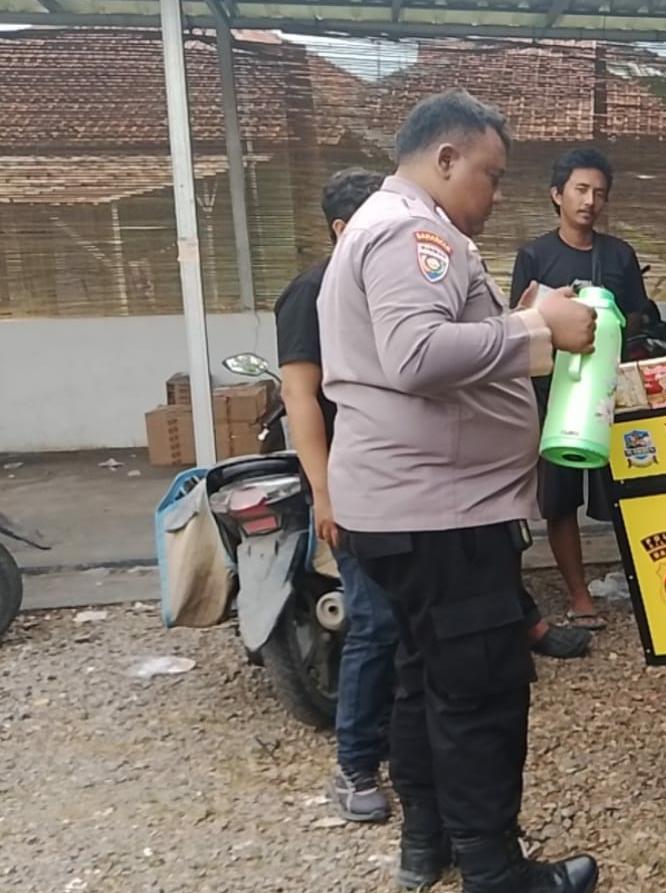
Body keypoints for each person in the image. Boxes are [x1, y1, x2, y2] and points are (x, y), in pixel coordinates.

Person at [318, 89, 600, 893]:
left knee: (424, 679)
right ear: (444, 159)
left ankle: (429, 842)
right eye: (490, 174)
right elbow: (417, 354)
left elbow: (429, 343)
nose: (496, 194)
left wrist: (518, 319)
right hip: (442, 514)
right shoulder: (413, 232)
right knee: (480, 687)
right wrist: (538, 328)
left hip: (406, 509)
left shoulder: (382, 226)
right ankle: (494, 868)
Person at [274, 167, 401, 824]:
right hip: (349, 483)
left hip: (402, 478)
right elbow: (300, 397)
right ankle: (354, 766)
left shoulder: (390, 286)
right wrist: (324, 493)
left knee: (409, 619)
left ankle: (406, 746)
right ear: (341, 228)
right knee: (374, 620)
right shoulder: (311, 292)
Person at [509, 148, 654, 632]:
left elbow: (636, 314)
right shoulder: (534, 256)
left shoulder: (619, 255)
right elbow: (522, 321)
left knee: (628, 487)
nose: (590, 201)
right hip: (557, 391)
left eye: (600, 193)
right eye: (581, 190)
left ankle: (645, 580)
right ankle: (578, 595)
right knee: (560, 496)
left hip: (611, 389)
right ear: (557, 194)